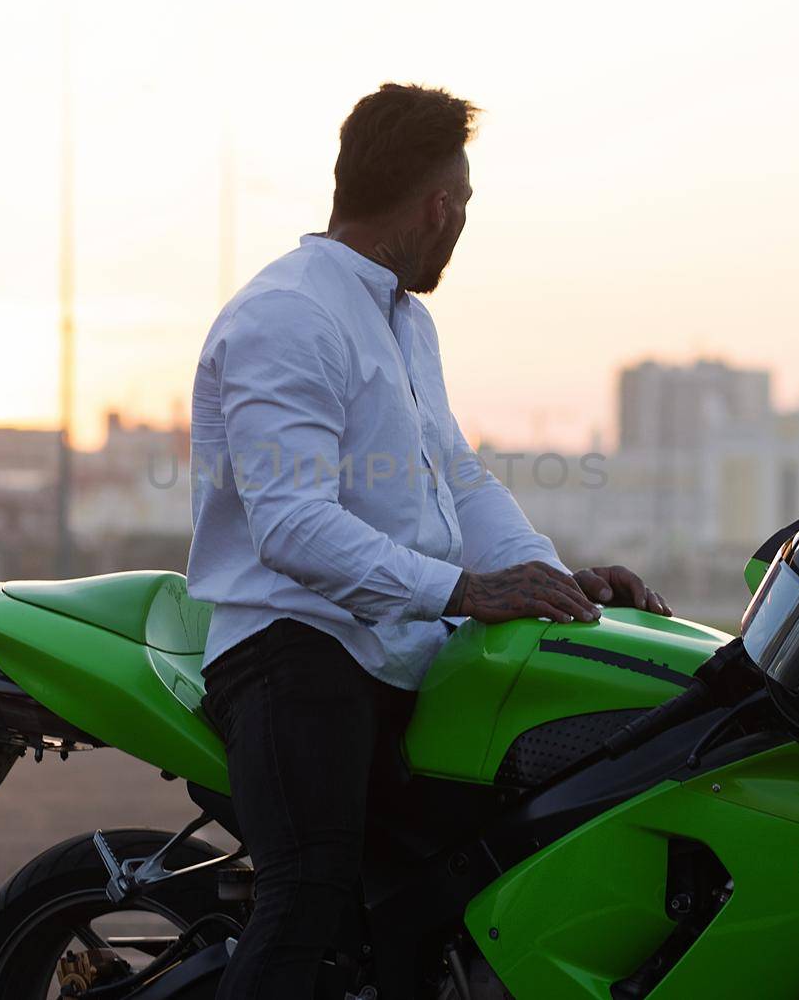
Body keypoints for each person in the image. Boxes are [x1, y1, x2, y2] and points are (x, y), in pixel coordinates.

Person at [187, 82, 671, 999]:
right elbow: (291, 524)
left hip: (406, 649)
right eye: (466, 208)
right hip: (294, 647)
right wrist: (463, 591)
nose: (462, 231)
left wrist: (549, 578)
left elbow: (459, 480)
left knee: (467, 879)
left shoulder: (406, 324)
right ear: (439, 207)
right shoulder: (289, 314)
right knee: (309, 899)